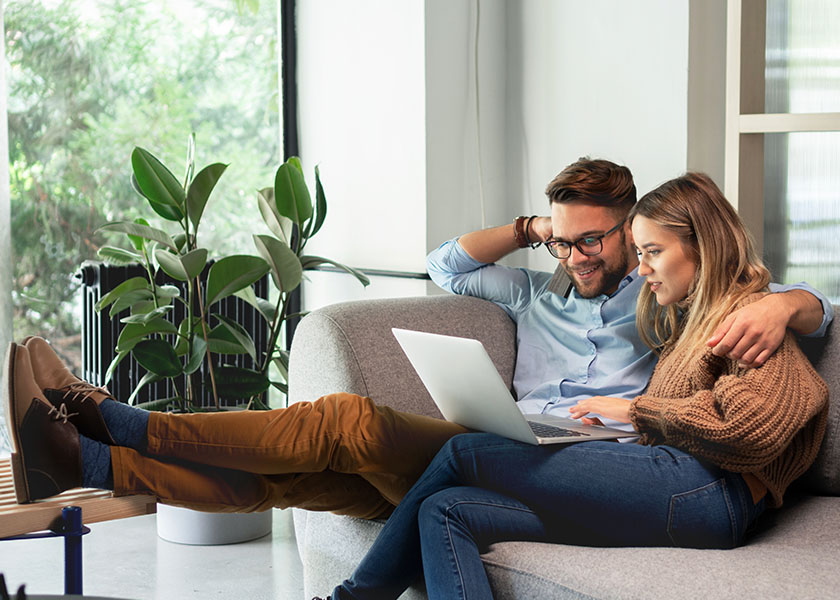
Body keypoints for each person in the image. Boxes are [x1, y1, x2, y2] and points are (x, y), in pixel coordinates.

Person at [3, 159, 831, 520]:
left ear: (632, 231)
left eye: (600, 240)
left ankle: (117, 422)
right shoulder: (535, 290)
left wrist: (790, 303)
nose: (582, 256)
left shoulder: (663, 299)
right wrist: (532, 230)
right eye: (566, 240)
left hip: (582, 460)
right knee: (301, 480)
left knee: (345, 423)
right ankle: (83, 467)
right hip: (507, 434)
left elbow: (776, 300)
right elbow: (445, 265)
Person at [325, 172, 830, 600]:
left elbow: (751, 427)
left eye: (653, 252)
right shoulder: (687, 317)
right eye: (640, 252)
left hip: (712, 493)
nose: (643, 268)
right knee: (445, 509)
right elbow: (445, 265)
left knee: (462, 451)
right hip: (668, 486)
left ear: (703, 247)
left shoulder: (750, 316)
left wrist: (637, 412)